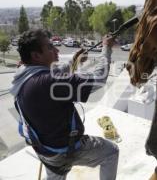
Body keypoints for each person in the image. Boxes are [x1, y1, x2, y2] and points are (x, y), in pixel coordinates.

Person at [10, 29, 119, 180]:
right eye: (50, 47)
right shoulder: (50, 82)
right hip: (65, 150)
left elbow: (53, 71)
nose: (57, 49)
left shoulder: (22, 76)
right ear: (36, 55)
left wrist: (75, 60)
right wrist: (106, 48)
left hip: (45, 150)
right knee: (111, 152)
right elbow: (99, 78)